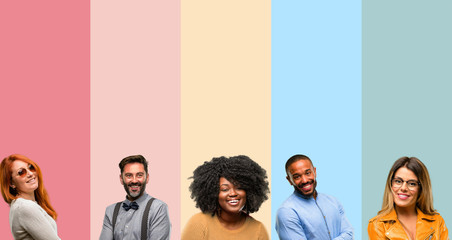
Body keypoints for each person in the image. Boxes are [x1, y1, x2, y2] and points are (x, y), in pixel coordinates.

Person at [181, 155, 270, 240]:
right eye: (225, 189)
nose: (233, 193)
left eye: (239, 187)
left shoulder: (258, 229)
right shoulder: (199, 223)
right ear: (214, 193)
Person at [368, 156, 449, 240]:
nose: (403, 188)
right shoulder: (377, 225)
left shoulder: (437, 221)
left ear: (421, 188)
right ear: (391, 185)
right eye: (398, 181)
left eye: (412, 183)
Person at [275, 154, 353, 240]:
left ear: (314, 172)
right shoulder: (287, 212)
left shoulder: (333, 201)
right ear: (290, 180)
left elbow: (349, 233)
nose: (304, 180)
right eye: (297, 177)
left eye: (308, 173)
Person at [99, 155, 171, 240]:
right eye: (129, 175)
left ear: (147, 178)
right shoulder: (110, 211)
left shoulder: (158, 208)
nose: (134, 180)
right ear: (121, 179)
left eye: (139, 175)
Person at [0, 154, 60, 240]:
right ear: (11, 183)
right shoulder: (25, 207)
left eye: (31, 167)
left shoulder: (20, 205)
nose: (31, 174)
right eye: (21, 172)